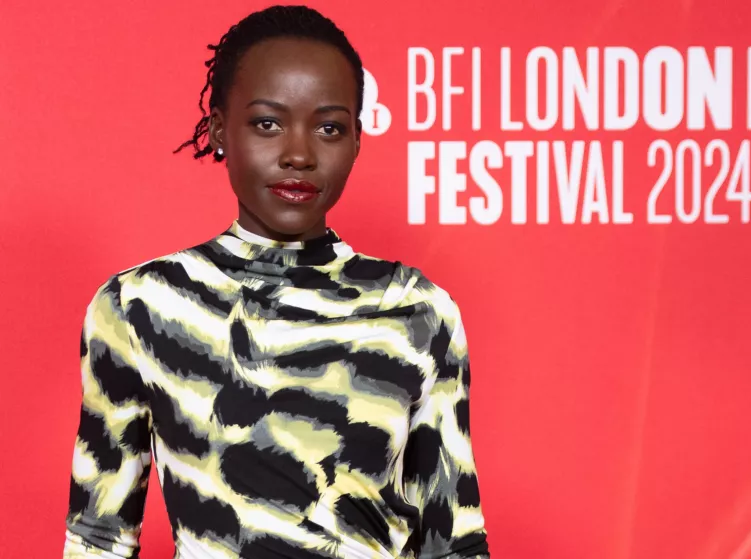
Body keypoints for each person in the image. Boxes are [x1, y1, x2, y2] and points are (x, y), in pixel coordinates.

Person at [63, 5, 489, 558]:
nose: (298, 154)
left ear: (358, 140)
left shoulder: (416, 311)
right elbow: (99, 536)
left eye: (329, 128)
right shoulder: (139, 306)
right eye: (268, 122)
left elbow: (452, 541)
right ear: (219, 128)